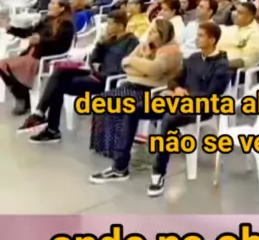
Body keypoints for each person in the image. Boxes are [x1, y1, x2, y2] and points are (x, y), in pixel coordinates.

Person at [90, 21, 230, 189]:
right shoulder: (193, 58)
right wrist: (176, 88)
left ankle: (158, 173)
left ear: (212, 40)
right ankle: (120, 167)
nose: (196, 39)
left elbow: (211, 96)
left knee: (169, 120)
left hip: (199, 107)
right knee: (133, 109)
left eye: (201, 36)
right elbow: (174, 80)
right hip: (175, 100)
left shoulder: (221, 65)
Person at [19, 10, 139, 142]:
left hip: (107, 80)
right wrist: (99, 45)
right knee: (59, 71)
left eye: (110, 24)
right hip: (95, 73)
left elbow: (127, 65)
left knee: (58, 86)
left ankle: (50, 127)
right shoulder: (109, 39)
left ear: (120, 26)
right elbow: (93, 58)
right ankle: (40, 114)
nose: (107, 27)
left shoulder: (132, 42)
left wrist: (103, 70)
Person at [89, 19, 182, 162]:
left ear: (163, 34)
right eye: (150, 31)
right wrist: (141, 69)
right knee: (101, 100)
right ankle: (102, 145)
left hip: (152, 91)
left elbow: (155, 70)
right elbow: (125, 63)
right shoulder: (145, 45)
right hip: (133, 84)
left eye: (154, 32)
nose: (150, 34)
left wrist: (135, 65)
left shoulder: (171, 51)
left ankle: (116, 149)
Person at [0, 0, 74, 114]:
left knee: (4, 65)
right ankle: (21, 96)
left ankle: (22, 97)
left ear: (62, 8)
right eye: (50, 3)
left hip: (45, 58)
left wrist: (41, 40)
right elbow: (28, 33)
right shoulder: (46, 20)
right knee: (3, 66)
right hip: (32, 54)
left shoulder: (66, 25)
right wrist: (10, 28)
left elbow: (61, 45)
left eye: (53, 3)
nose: (49, 5)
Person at [218, 1, 259, 70]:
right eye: (236, 11)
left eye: (240, 13)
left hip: (233, 70)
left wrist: (222, 64)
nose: (235, 15)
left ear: (250, 17)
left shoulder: (256, 36)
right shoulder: (232, 28)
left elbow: (248, 60)